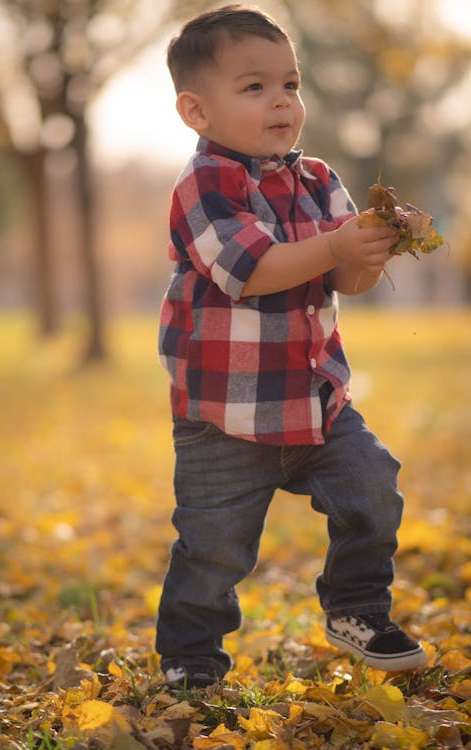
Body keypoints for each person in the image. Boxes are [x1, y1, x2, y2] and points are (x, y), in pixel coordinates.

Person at [156, 4, 426, 688]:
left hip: (316, 402)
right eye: (254, 87)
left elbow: (348, 280)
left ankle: (356, 607)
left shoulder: (318, 179)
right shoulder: (204, 186)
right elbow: (252, 271)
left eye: (291, 83)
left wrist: (372, 245)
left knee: (373, 488)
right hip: (226, 419)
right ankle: (192, 661)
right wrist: (334, 243)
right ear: (197, 111)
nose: (282, 100)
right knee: (213, 552)